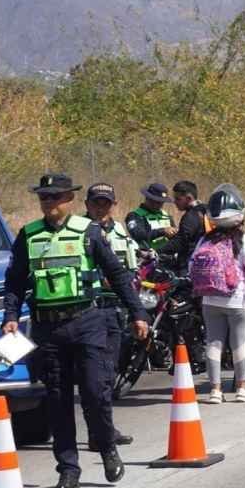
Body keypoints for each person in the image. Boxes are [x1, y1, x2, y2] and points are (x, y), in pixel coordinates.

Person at [2, 174, 149, 488]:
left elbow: (117, 274)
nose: (48, 202)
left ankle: (107, 446)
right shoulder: (28, 235)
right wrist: (10, 317)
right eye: (44, 197)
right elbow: (14, 281)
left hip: (87, 321)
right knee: (57, 402)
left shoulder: (88, 232)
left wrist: (138, 313)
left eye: (54, 197)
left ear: (68, 198)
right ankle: (68, 470)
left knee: (96, 392)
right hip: (48, 329)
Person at [192, 184, 245, 404]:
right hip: (239, 301)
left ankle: (215, 391)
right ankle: (242, 389)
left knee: (214, 344)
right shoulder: (243, 240)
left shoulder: (205, 240)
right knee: (239, 345)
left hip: (210, 299)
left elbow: (192, 266)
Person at [83, 182, 139, 451]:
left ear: (113, 204)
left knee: (108, 374)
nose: (101, 207)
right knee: (92, 378)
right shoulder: (78, 232)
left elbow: (130, 267)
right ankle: (99, 432)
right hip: (89, 310)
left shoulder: (120, 230)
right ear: (87, 204)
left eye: (106, 203)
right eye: (96, 202)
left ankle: (104, 429)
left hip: (116, 310)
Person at [160, 180, 209, 274]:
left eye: (178, 199)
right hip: (206, 262)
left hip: (190, 265)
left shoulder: (191, 216)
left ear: (189, 198)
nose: (174, 202)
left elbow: (181, 242)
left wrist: (157, 251)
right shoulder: (207, 210)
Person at [125, 182, 176, 252]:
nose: (159, 205)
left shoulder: (166, 216)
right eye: (157, 202)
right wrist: (162, 231)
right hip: (146, 258)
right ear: (148, 199)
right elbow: (138, 235)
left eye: (162, 202)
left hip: (168, 257)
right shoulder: (135, 216)